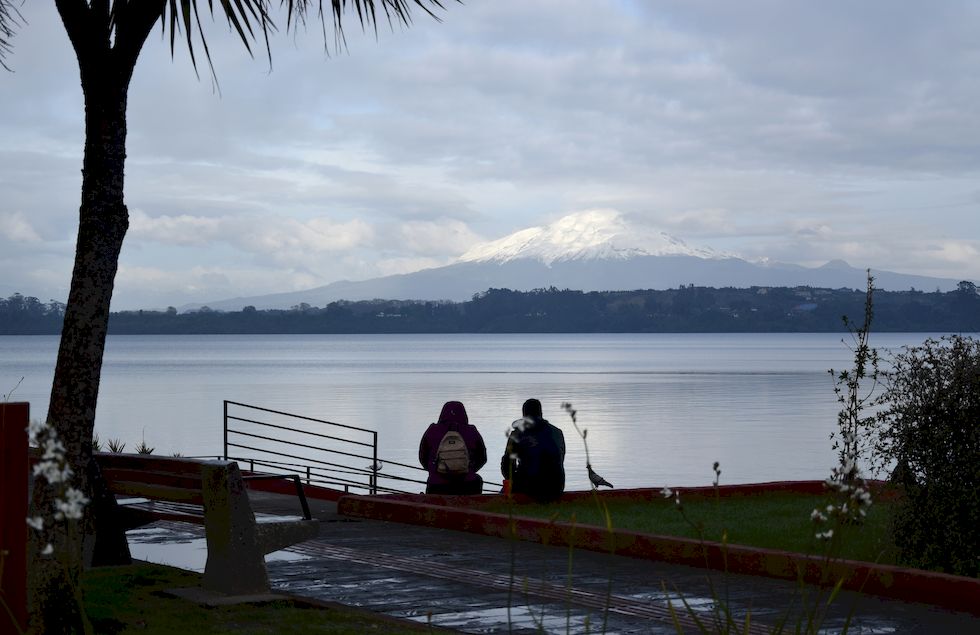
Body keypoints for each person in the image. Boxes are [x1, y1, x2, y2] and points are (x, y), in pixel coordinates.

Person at [500, 398, 566, 502]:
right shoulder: (557, 432)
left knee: (505, 489)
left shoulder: (517, 434)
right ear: (541, 413)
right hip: (557, 486)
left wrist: (513, 480)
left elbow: (507, 466)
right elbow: (560, 459)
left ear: (524, 415)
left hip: (530, 487)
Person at [419, 400, 487, 495]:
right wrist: (468, 470)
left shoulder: (432, 430)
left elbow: (423, 458)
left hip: (436, 485)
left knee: (431, 481)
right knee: (478, 480)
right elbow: (482, 458)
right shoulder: (471, 431)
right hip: (468, 485)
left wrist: (434, 470)